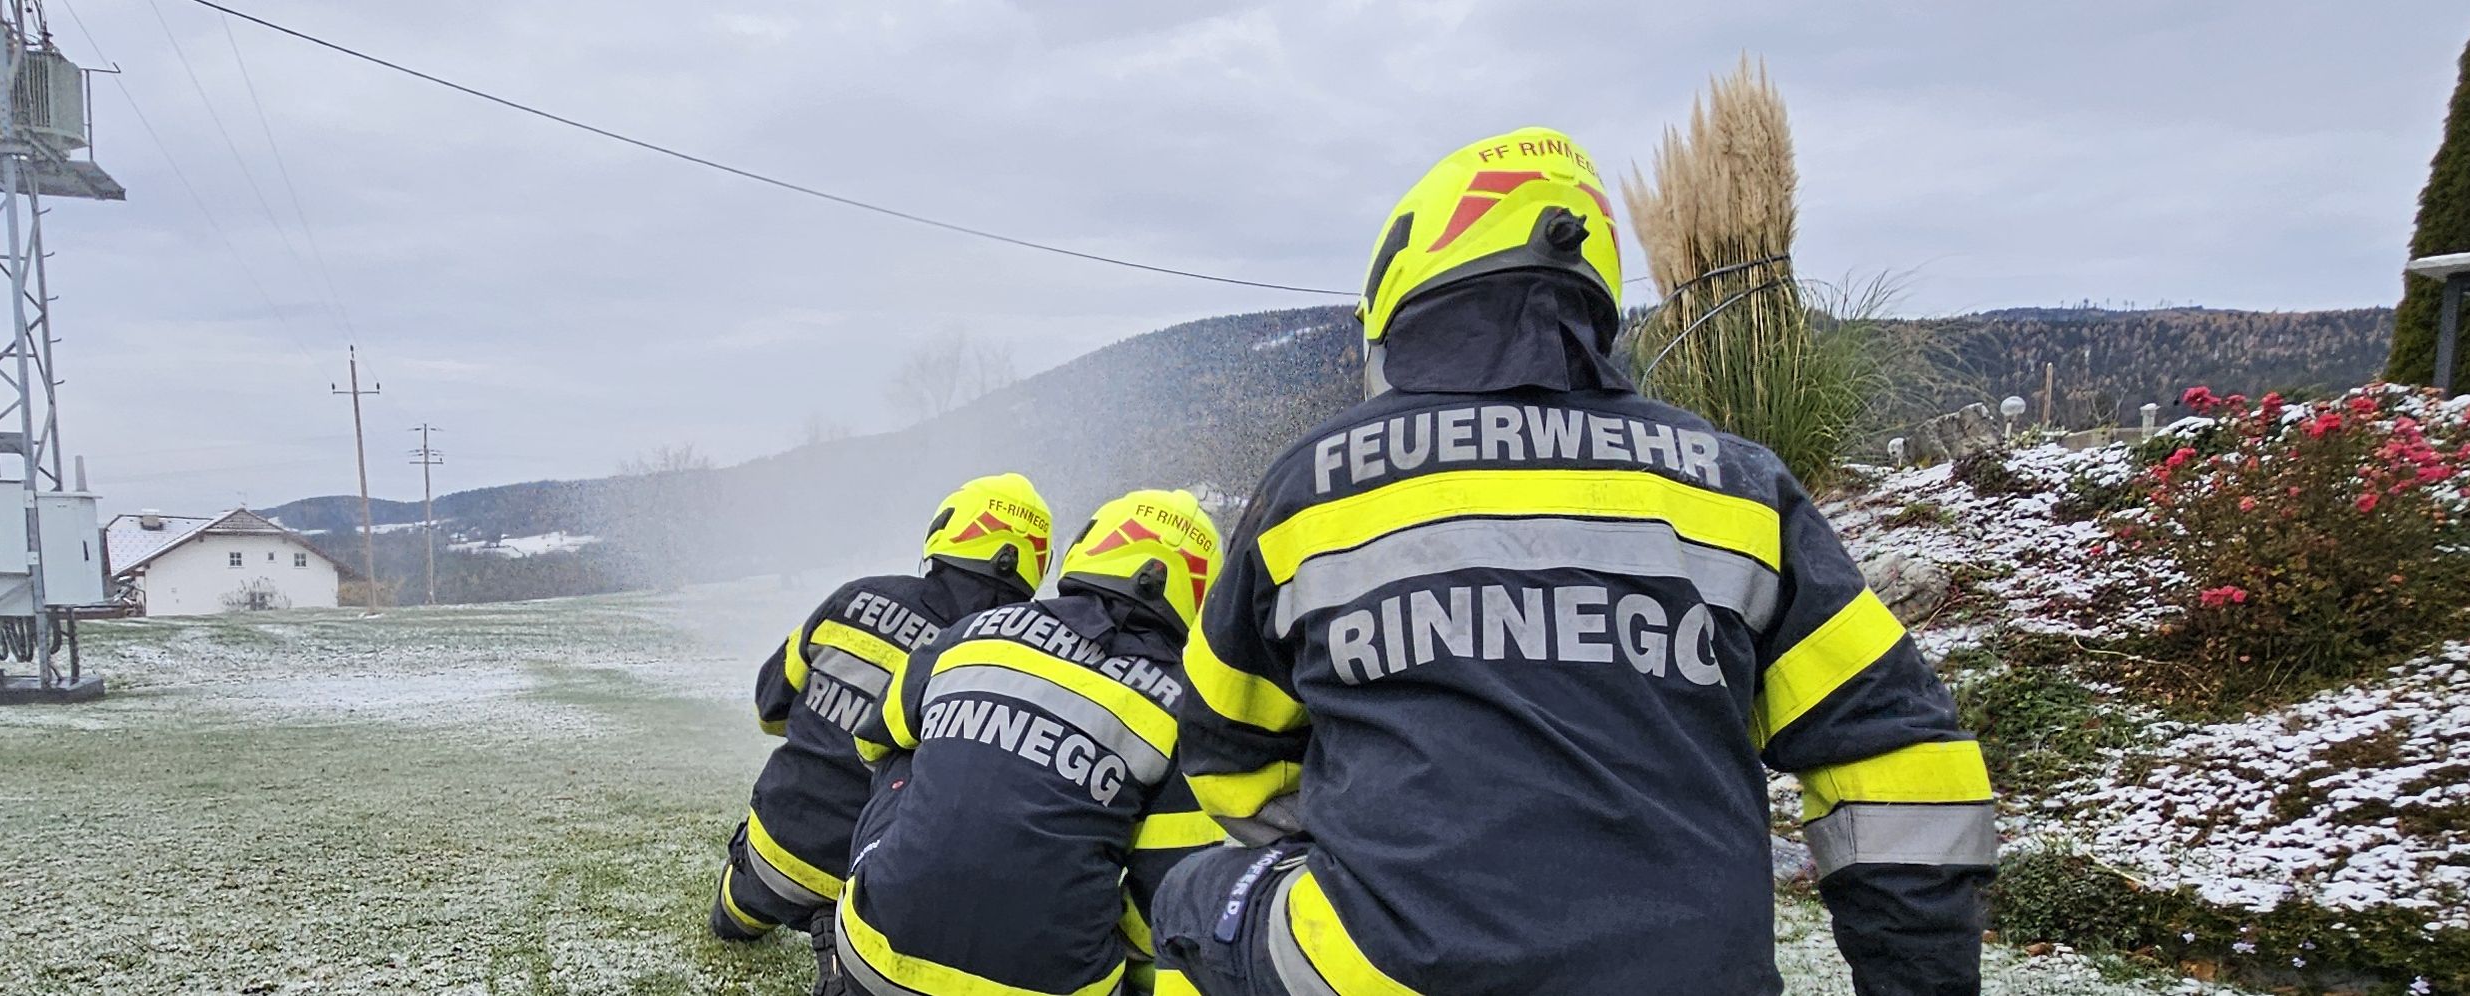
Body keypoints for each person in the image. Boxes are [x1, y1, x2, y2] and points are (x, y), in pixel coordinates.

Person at [1151, 127, 1997, 996]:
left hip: (1397, 969)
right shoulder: (1737, 486)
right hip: (1696, 977)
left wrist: (1366, 834)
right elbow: (1900, 760)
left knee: (1192, 902)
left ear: (1402, 295)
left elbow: (1224, 749)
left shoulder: (1315, 486)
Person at [836, 490, 1229, 996]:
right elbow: (1166, 893)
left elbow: (873, 740)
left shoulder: (971, 631)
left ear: (1089, 546)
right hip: (1054, 984)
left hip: (875, 961)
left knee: (903, 752)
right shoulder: (1185, 714)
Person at [713, 474, 1056, 971]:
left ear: (947, 530)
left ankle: (739, 906)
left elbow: (770, 706)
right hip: (887, 892)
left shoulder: (855, 597)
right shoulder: (1017, 663)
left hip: (779, 849)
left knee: (733, 916)